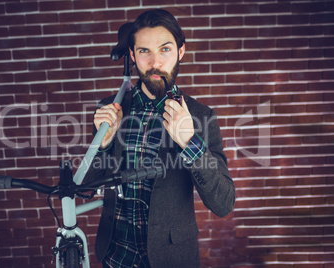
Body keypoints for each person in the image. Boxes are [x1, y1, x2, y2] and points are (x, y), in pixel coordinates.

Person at [84, 9, 235, 268]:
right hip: (115, 256)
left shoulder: (201, 116)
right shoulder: (111, 108)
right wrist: (103, 146)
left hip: (172, 258)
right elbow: (86, 188)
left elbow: (223, 203)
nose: (155, 62)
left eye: (165, 49)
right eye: (144, 51)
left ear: (181, 51)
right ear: (132, 55)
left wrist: (190, 142)